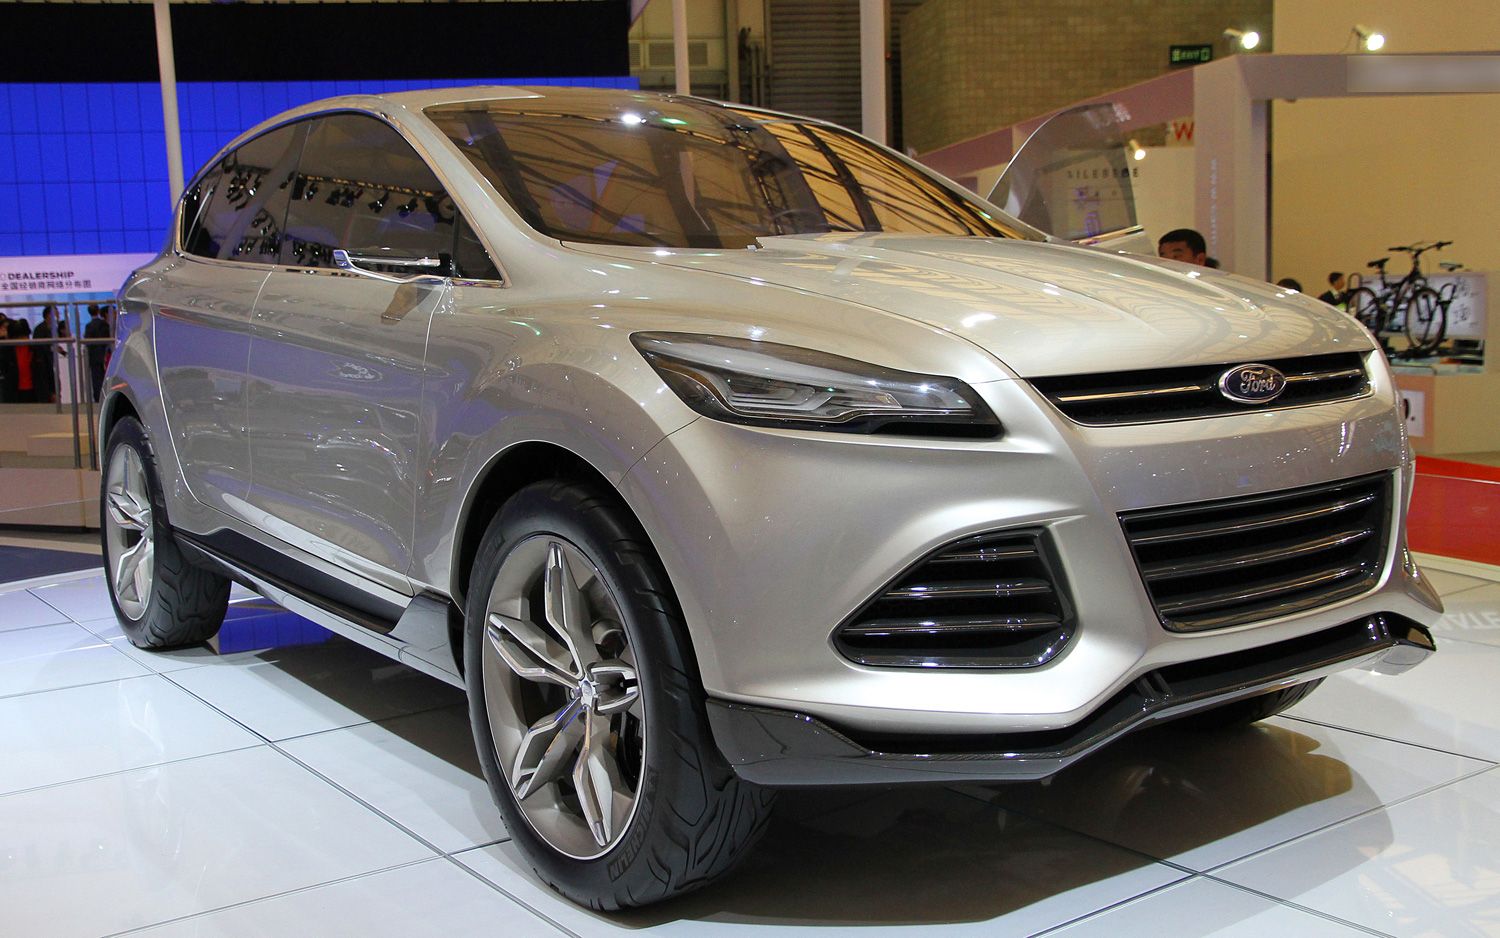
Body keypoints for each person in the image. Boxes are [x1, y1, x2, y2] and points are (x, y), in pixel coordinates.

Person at [31, 304, 66, 405]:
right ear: (48, 315)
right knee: (47, 385)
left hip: (49, 362)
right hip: (42, 364)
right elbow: (41, 347)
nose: (58, 316)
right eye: (56, 314)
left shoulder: (52, 328)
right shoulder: (40, 329)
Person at [84, 303, 111, 402]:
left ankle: (98, 399)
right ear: (98, 311)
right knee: (106, 378)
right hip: (104, 355)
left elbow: (87, 342)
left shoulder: (88, 326)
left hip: (94, 357)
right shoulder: (104, 324)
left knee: (96, 379)